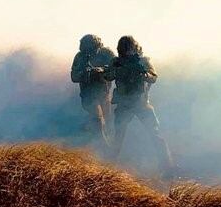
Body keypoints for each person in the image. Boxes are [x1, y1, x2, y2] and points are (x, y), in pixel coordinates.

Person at [104, 35, 176, 176]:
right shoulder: (116, 62)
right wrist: (118, 70)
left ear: (134, 48)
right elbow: (107, 76)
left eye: (128, 48)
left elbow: (153, 77)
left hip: (140, 103)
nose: (126, 51)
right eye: (124, 48)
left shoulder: (143, 61)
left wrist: (143, 73)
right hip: (124, 103)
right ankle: (109, 168)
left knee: (155, 135)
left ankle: (168, 167)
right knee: (118, 137)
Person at [70, 34, 115, 144]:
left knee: (107, 121)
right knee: (98, 118)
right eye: (87, 50)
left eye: (93, 49)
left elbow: (116, 67)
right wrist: (85, 73)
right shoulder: (80, 57)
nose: (90, 53)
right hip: (88, 95)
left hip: (104, 93)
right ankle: (103, 146)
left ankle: (89, 131)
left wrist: (102, 70)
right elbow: (74, 77)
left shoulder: (107, 53)